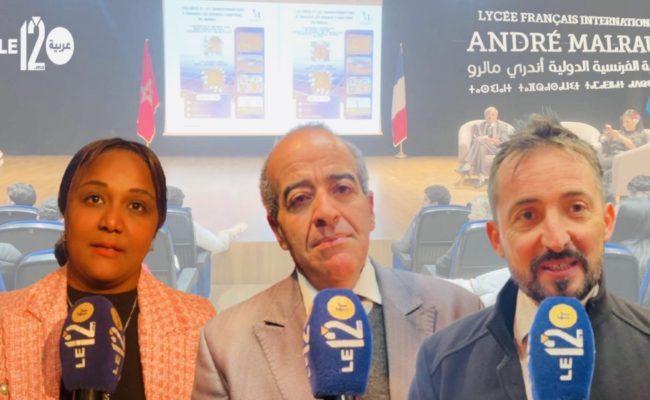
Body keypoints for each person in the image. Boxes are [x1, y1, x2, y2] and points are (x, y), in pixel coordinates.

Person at [192, 124, 481, 400]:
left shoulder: (460, 314)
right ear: (278, 230)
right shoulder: (225, 343)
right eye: (300, 198)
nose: (326, 213)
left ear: (370, 210)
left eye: (342, 189)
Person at [409, 115, 650, 399]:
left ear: (607, 222)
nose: (556, 240)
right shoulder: (442, 364)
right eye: (527, 215)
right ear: (496, 238)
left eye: (576, 208)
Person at [0, 138, 215, 399]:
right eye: (94, 199)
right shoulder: (4, 321)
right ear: (65, 210)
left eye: (136, 206)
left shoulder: (201, 327)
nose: (112, 222)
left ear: (155, 228)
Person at [167, 185, 247, 254]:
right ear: (181, 202)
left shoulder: (158, 222)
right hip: (182, 267)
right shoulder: (185, 223)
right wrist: (227, 233)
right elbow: (218, 246)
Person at [392, 184, 451, 268]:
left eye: (425, 200)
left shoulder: (422, 218)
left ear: (434, 204)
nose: (422, 203)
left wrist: (394, 245)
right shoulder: (455, 219)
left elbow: (404, 246)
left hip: (416, 269)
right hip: (440, 269)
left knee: (397, 250)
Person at [457, 106, 513, 186]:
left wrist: (491, 140)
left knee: (480, 141)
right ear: (485, 116)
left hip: (495, 149)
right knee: (481, 145)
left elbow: (504, 142)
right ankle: (481, 176)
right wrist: (484, 139)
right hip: (481, 147)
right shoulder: (479, 126)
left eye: (493, 115)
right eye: (488, 114)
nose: (490, 117)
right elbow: (475, 140)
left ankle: (468, 164)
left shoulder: (502, 126)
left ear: (496, 116)